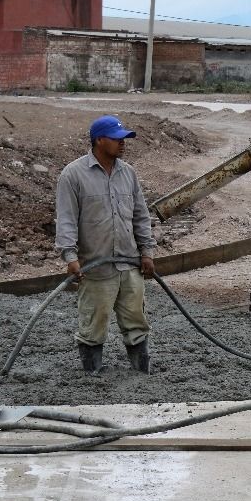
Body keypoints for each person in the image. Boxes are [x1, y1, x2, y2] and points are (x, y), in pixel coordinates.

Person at [55, 115, 158, 375]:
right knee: (94, 323)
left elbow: (140, 216)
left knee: (136, 320)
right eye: (117, 138)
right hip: (95, 267)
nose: (123, 144)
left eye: (124, 138)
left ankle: (140, 370)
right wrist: (70, 256)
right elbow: (66, 219)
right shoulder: (73, 175)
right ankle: (92, 374)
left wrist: (147, 252)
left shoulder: (128, 174)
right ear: (99, 140)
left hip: (129, 264)